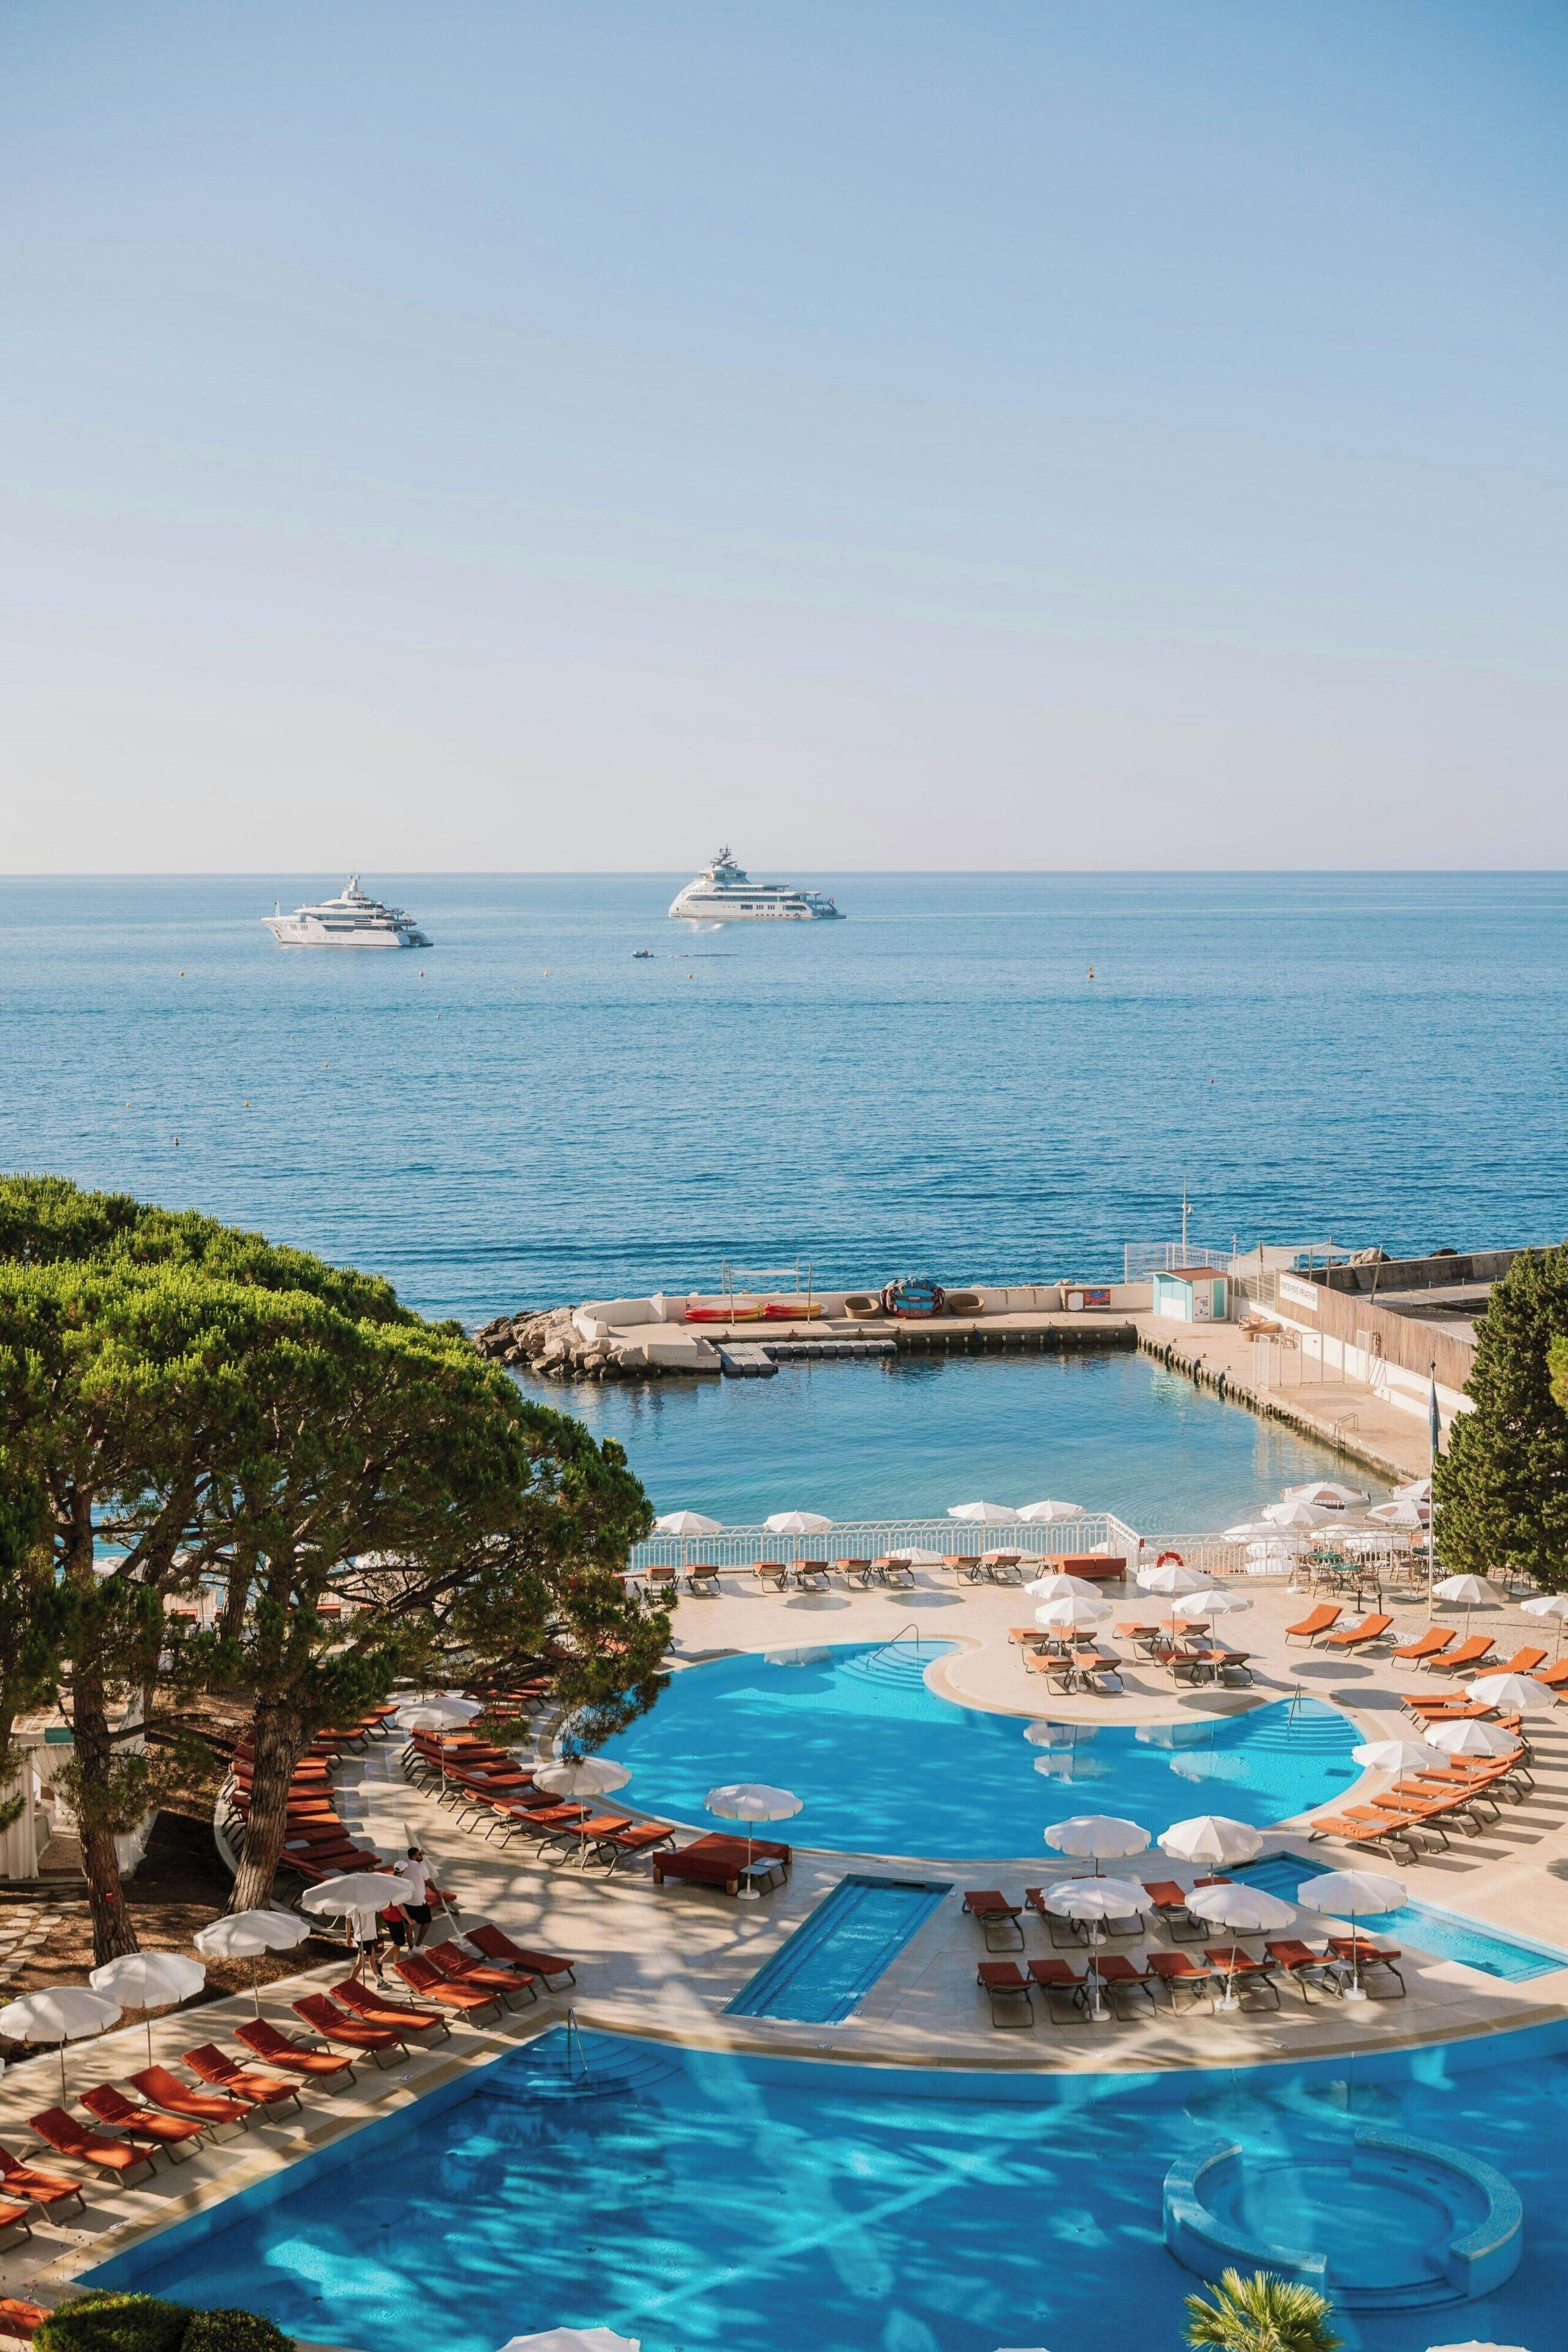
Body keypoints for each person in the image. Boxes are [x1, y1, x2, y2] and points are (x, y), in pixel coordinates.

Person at [347, 1899, 386, 1984]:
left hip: (359, 1937)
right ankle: (348, 1985)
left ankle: (379, 1981)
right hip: (367, 1938)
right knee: (360, 1964)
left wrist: (348, 1938)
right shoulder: (372, 1902)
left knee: (372, 1958)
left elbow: (347, 1922)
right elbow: (386, 1908)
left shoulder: (351, 1905)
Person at [402, 1845, 433, 1946]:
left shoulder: (404, 1866)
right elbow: (429, 1883)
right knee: (427, 1921)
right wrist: (437, 1892)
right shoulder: (421, 1868)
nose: (421, 1855)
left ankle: (411, 1947)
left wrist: (420, 1853)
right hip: (419, 1901)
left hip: (407, 1900)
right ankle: (418, 1945)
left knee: (409, 1924)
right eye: (419, 1854)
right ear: (414, 1857)